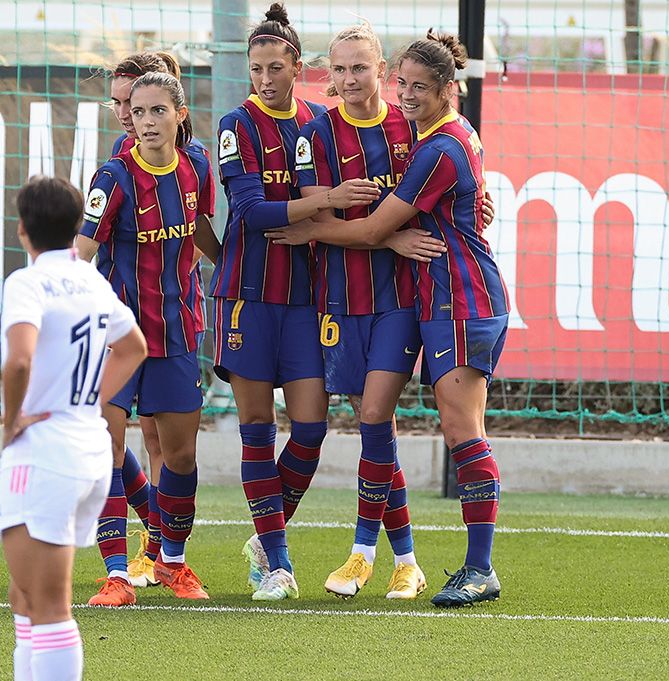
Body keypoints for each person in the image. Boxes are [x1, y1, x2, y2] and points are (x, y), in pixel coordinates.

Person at [268, 29, 508, 607]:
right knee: (392, 422)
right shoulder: (443, 137)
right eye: (405, 84)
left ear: (449, 89)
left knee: (459, 430)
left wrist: (309, 228)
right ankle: (404, 559)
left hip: (460, 299)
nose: (408, 94)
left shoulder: (436, 149)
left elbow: (377, 229)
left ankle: (477, 567)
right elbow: (467, 204)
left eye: (419, 87)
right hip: (433, 301)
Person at [210, 2, 381, 601]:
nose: (263, 78)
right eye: (255, 68)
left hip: (308, 298)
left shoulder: (318, 121)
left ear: (298, 66)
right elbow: (251, 213)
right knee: (257, 427)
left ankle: (264, 531)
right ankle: (277, 563)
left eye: (274, 67)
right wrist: (322, 201)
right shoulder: (236, 124)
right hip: (248, 296)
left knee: (311, 426)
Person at [291, 21, 448, 601]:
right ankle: (407, 561)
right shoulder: (318, 134)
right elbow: (315, 223)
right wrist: (389, 238)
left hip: (400, 299)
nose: (350, 78)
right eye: (339, 69)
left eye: (361, 67)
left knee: (376, 415)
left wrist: (474, 200)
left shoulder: (412, 129)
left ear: (382, 71)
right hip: (339, 298)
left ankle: (361, 554)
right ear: (328, 76)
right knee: (373, 423)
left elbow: (456, 168)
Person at [0, 176, 147, 681]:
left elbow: (18, 360)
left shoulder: (27, 281)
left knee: (49, 604)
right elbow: (134, 347)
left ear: (21, 230)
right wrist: (87, 400)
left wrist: (13, 419)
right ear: (77, 225)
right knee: (25, 596)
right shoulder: (91, 279)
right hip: (89, 451)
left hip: (45, 454)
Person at [77, 71, 219, 604]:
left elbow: (199, 225)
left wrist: (227, 267)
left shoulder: (198, 166)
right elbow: (81, 253)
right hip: (116, 338)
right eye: (138, 113)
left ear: (180, 114)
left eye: (158, 111)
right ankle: (116, 575)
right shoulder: (113, 178)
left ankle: (173, 564)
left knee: (180, 457)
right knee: (106, 450)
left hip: (178, 330)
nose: (147, 122)